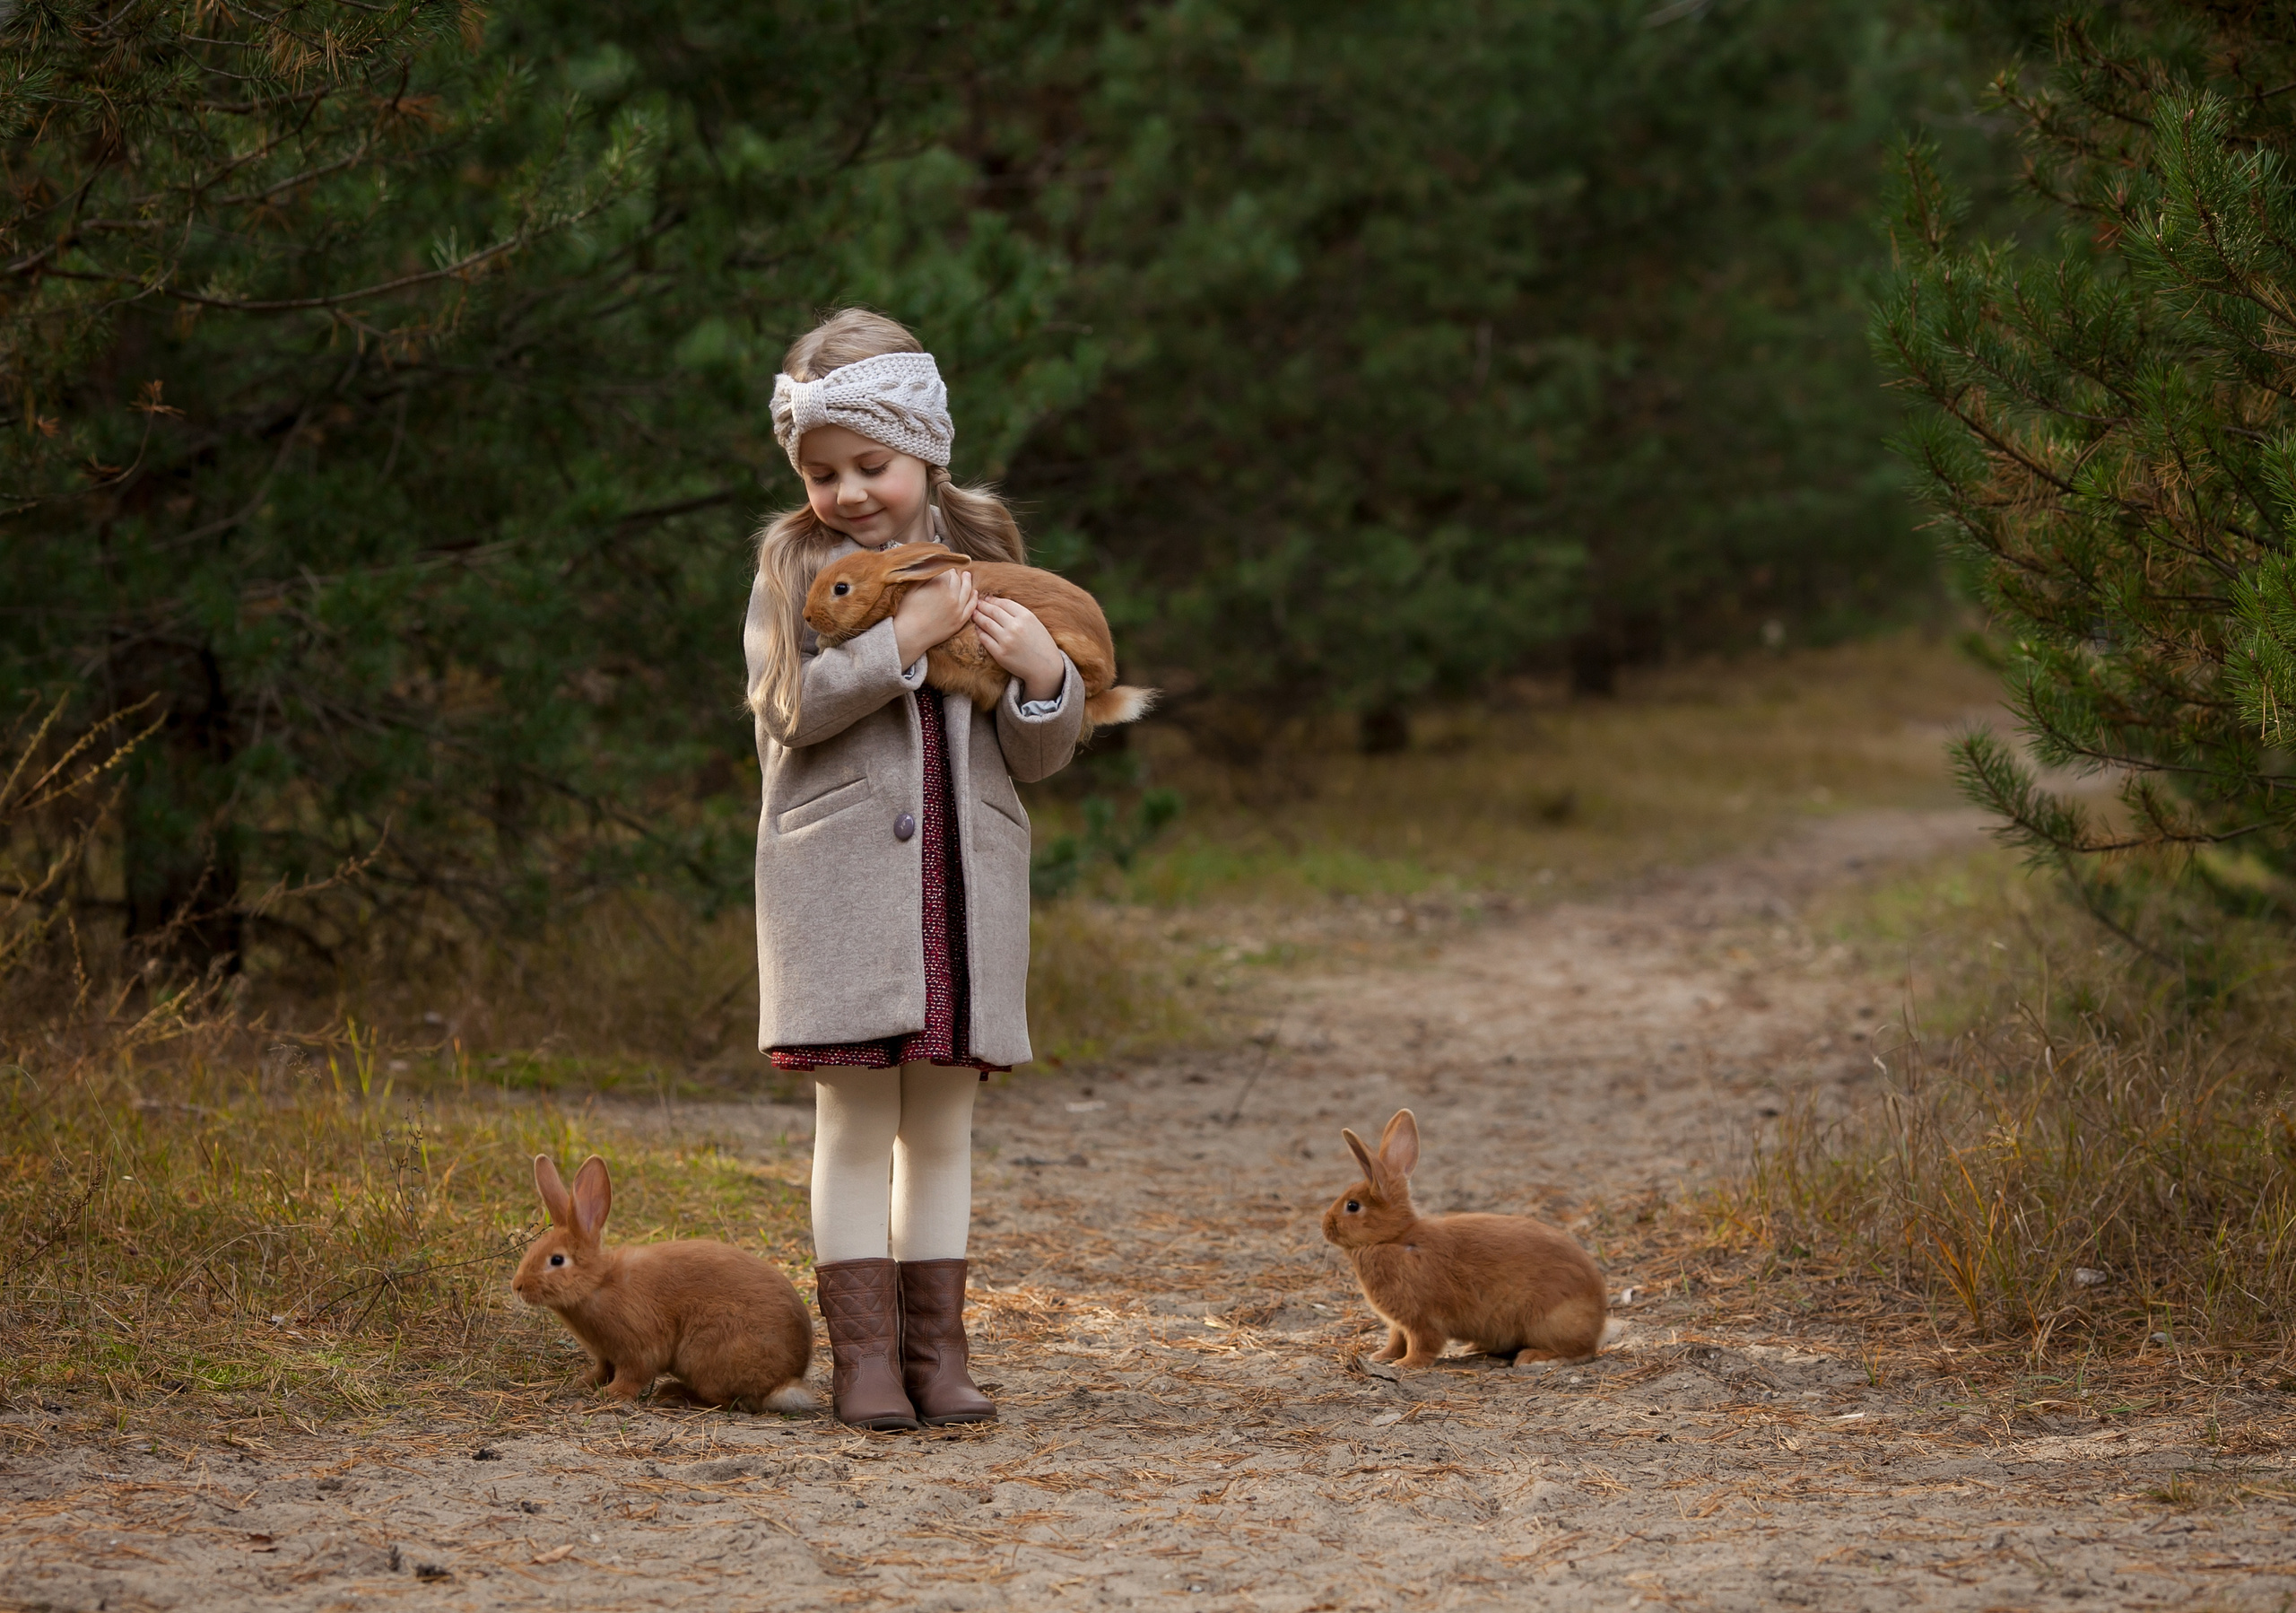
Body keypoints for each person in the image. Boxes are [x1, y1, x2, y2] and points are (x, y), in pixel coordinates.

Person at [744, 309, 1083, 1430]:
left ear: (926, 447)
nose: (846, 493)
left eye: (869, 466)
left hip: (961, 891)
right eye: (821, 472)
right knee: (854, 1122)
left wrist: (1043, 675)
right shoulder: (792, 565)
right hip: (842, 896)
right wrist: (907, 634)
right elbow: (788, 710)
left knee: (939, 1126)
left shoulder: (987, 554)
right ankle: (864, 1362)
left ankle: (939, 1356)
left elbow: (1036, 755)